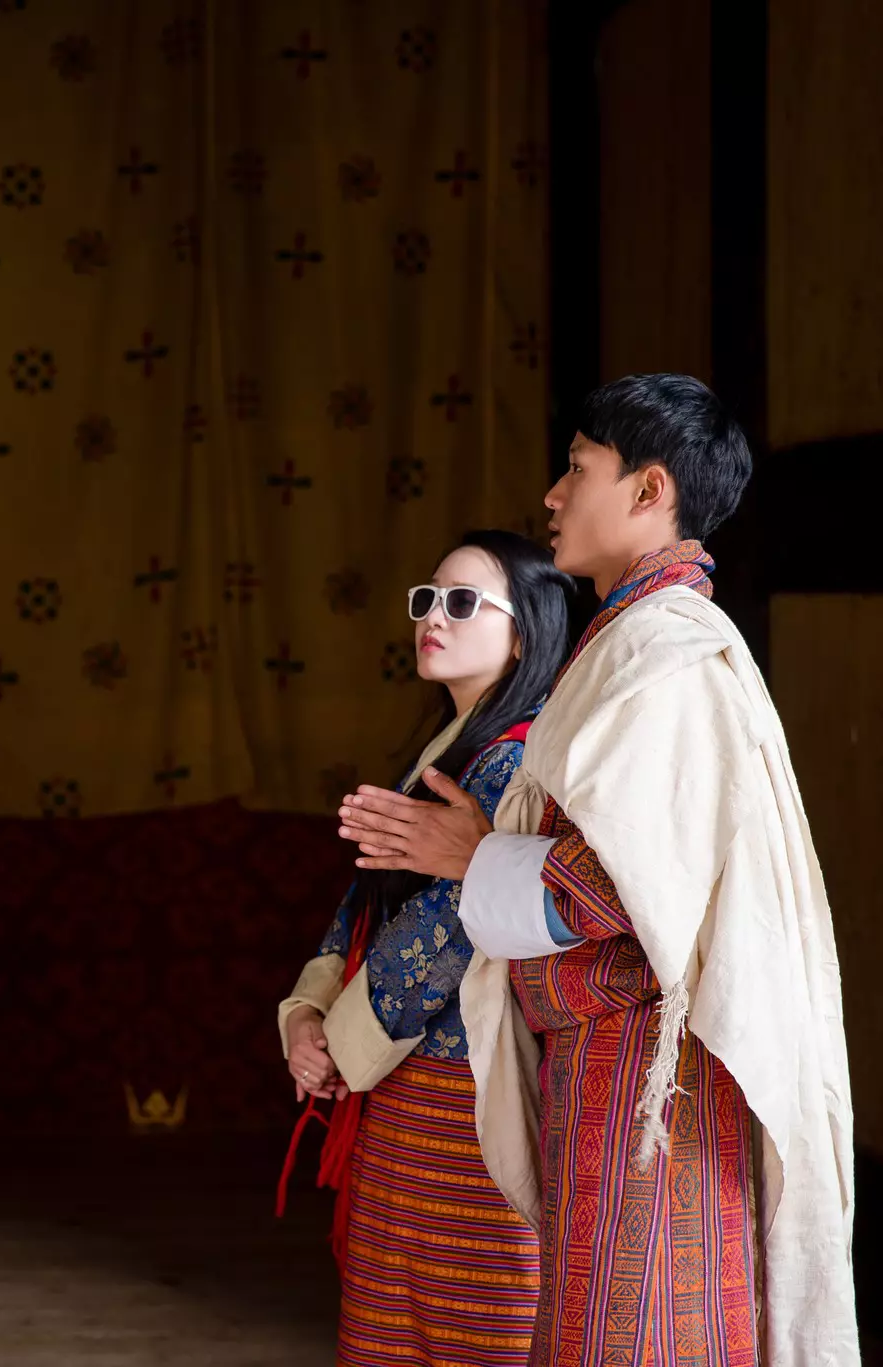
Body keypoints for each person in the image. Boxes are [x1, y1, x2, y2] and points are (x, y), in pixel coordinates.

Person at [337, 375, 857, 1367]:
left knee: (639, 1330)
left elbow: (624, 882)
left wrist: (466, 853)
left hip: (650, 1075)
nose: (552, 495)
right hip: (611, 1062)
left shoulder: (666, 651)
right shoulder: (631, 637)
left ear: (648, 489)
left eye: (577, 468)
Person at [278, 529, 572, 1367]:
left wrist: (335, 1044)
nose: (432, 617)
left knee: (479, 1327)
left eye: (462, 601)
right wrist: (305, 1015)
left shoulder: (518, 763)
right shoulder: (446, 751)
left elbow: (445, 928)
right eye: (427, 598)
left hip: (469, 1096)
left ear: (523, 633)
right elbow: (363, 904)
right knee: (395, 1326)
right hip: (403, 1091)